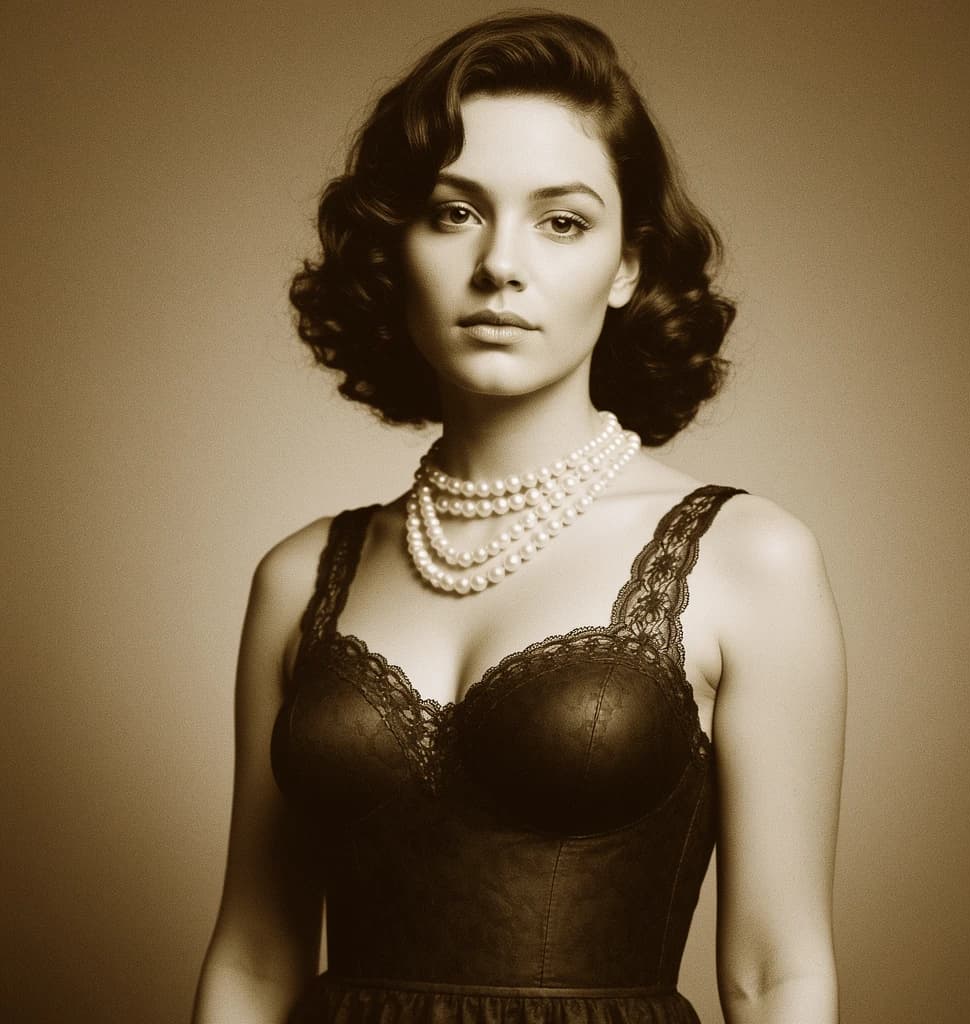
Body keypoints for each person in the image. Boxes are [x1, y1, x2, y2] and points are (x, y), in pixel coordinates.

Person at [192, 11, 846, 1024]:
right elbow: (252, 954)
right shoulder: (297, 577)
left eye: (562, 220)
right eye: (454, 212)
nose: (500, 264)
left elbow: (776, 972)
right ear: (395, 249)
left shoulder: (747, 558)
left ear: (626, 265)